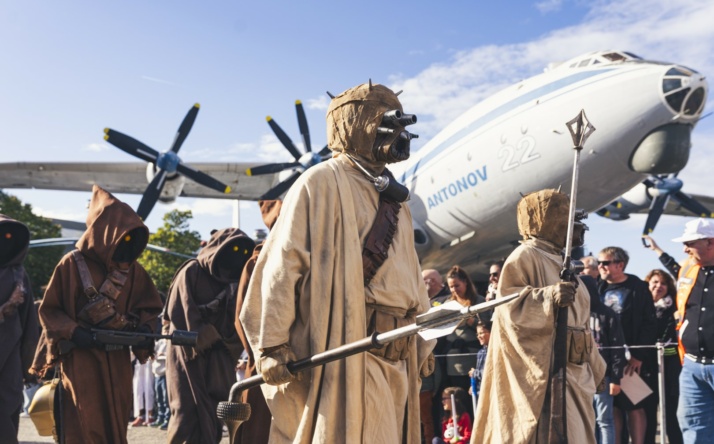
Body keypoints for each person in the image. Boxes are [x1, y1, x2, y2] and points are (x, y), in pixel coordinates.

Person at [240, 81, 434, 443]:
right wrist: (271, 345)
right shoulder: (320, 182)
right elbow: (283, 266)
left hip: (398, 353)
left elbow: (412, 279)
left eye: (401, 126)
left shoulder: (398, 201)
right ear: (357, 124)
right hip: (349, 347)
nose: (399, 135)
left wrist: (423, 342)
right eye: (389, 123)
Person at [473, 188, 606, 443]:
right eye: (564, 215)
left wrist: (596, 365)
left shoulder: (562, 261)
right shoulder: (526, 256)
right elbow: (510, 308)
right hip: (547, 374)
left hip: (576, 374)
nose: (574, 225)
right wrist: (548, 297)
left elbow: (581, 327)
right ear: (545, 218)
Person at [34, 185, 163, 444]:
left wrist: (146, 330)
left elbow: (150, 307)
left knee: (117, 421)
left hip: (118, 359)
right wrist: (75, 332)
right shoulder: (71, 264)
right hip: (81, 360)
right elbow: (50, 310)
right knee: (83, 422)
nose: (125, 241)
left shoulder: (134, 271)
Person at [164, 227, 254, 444]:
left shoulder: (236, 283)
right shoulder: (191, 271)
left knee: (215, 416)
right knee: (185, 413)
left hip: (219, 359)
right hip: (188, 356)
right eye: (231, 249)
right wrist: (207, 334)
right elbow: (179, 312)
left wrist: (228, 345)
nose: (236, 256)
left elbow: (240, 320)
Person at [233, 200, 283, 444]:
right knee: (259, 431)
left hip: (304, 366)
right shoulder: (257, 262)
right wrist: (266, 353)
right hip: (266, 364)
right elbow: (245, 317)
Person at [597, 246, 657, 444]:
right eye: (599, 263)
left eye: (605, 263)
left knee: (634, 405)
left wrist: (638, 356)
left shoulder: (637, 287)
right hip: (606, 359)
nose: (600, 267)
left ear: (619, 264)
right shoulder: (599, 287)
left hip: (631, 359)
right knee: (612, 407)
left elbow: (649, 323)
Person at [668, 218, 714, 443]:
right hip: (693, 366)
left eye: (690, 243)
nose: (685, 249)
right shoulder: (687, 268)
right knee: (694, 428)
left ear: (710, 242)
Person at [0, 215, 39, 443]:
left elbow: (29, 323)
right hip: (11, 361)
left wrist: (30, 368)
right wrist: (5, 309)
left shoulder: (19, 275)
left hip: (10, 364)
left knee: (8, 414)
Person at [643, 269, 683, 444]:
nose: (659, 286)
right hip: (645, 366)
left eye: (663, 283)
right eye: (655, 282)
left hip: (670, 366)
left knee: (671, 413)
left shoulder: (674, 307)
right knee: (647, 413)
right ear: (648, 283)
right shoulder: (641, 306)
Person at [590, 281, 627, 444]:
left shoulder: (607, 313)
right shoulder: (574, 312)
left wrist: (615, 378)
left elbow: (617, 347)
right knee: (586, 420)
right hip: (580, 376)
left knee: (604, 420)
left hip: (603, 376)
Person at [444, 266, 485, 394]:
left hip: (472, 356)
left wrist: (469, 319)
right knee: (456, 395)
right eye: (451, 287)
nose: (454, 290)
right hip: (453, 360)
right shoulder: (448, 303)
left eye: (457, 285)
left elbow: (486, 325)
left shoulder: (478, 301)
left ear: (465, 282)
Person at [150, 318, 170, 430]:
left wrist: (161, 355)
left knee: (166, 398)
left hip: (165, 373)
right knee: (159, 398)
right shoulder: (160, 342)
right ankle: (160, 417)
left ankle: (167, 419)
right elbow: (153, 353)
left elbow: (170, 357)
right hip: (157, 373)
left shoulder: (170, 343)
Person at [468, 320, 491, 402]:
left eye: (481, 333)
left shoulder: (495, 351)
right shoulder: (481, 352)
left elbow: (490, 373)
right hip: (481, 392)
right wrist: (474, 385)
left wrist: (474, 373)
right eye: (477, 334)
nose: (479, 336)